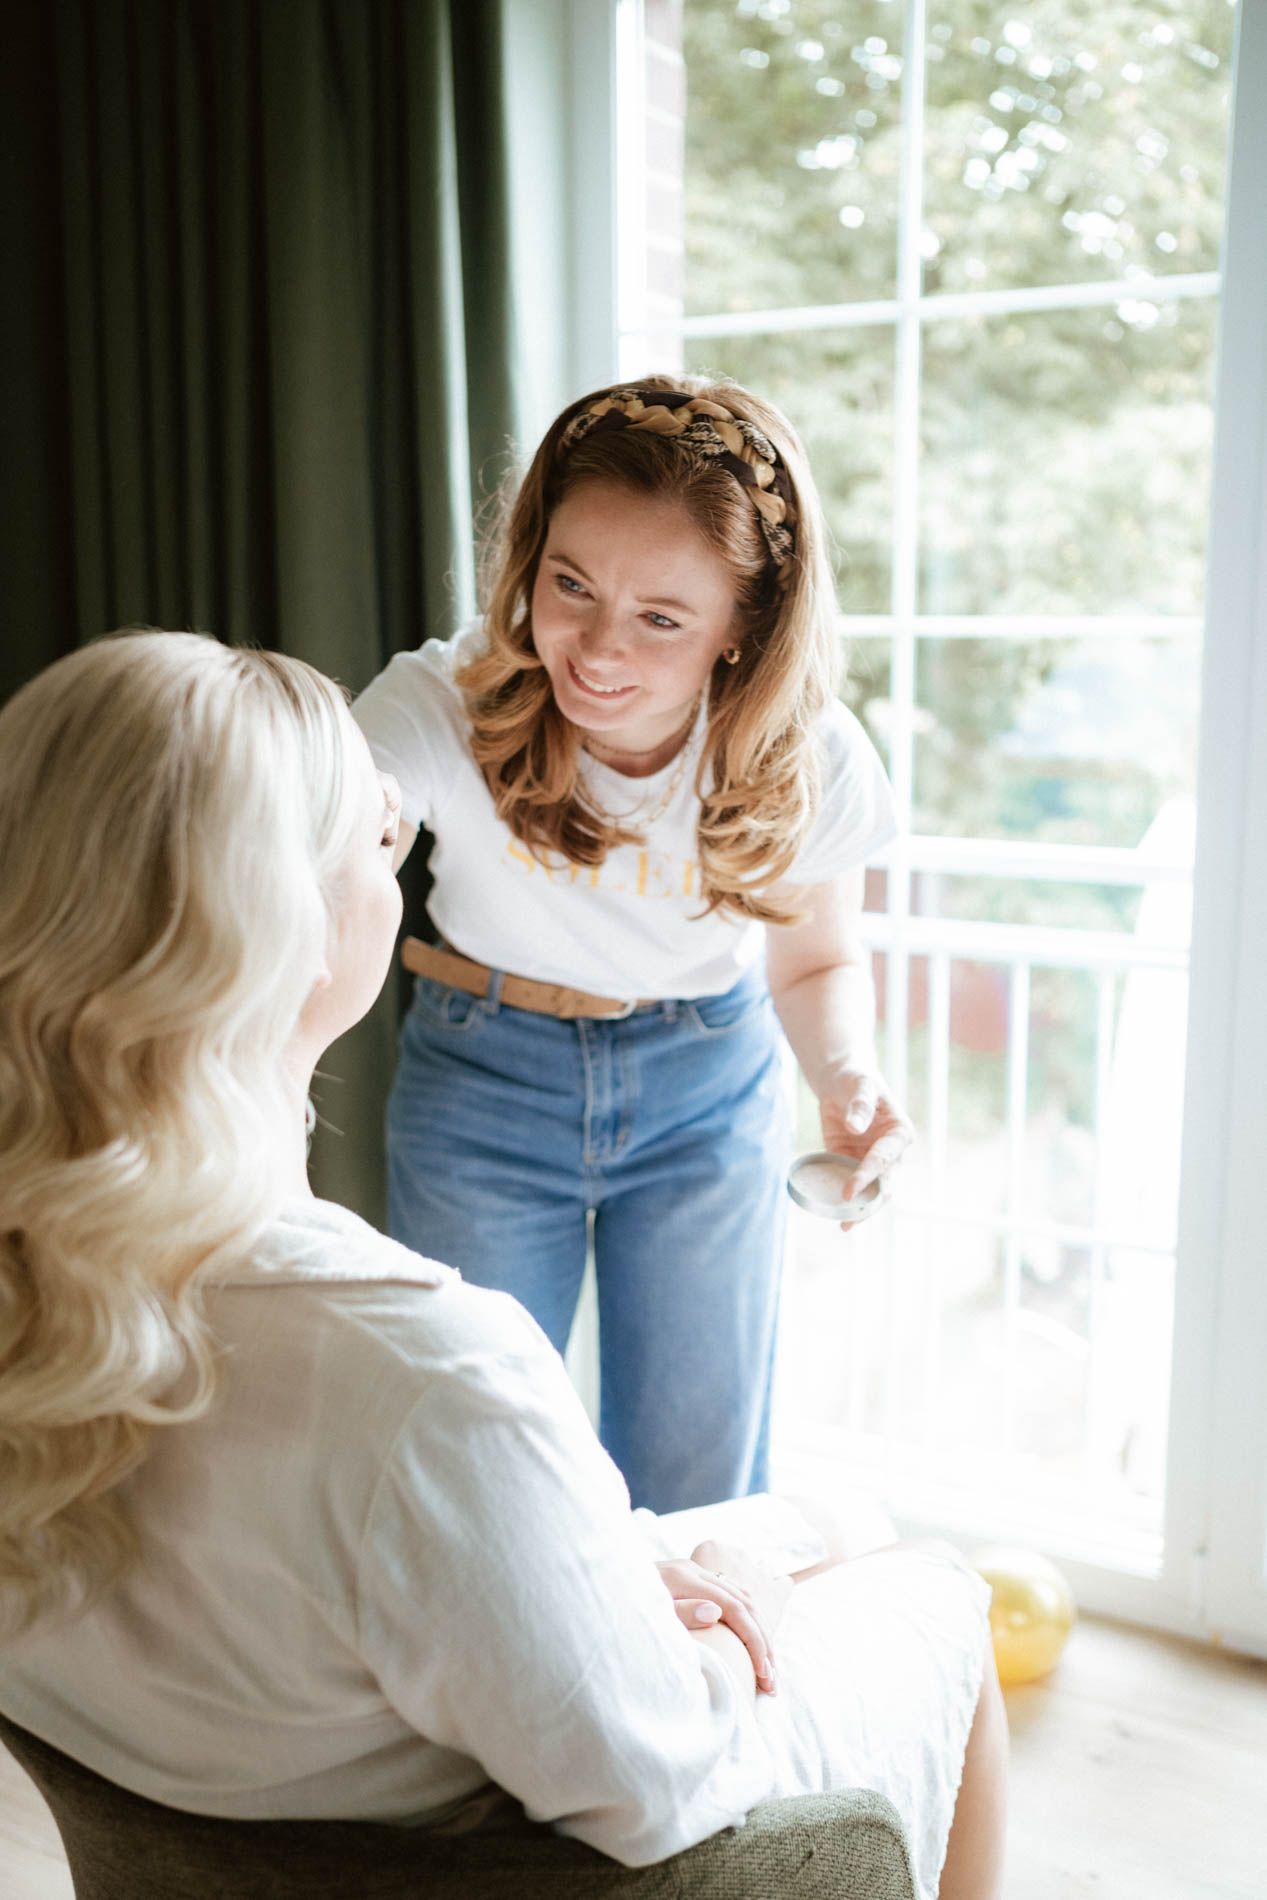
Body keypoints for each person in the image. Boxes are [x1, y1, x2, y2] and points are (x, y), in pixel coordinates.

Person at [0, 631, 1005, 1899]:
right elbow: (662, 1791)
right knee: (929, 1588)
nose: (401, 863)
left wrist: (617, 1569)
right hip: (514, 1835)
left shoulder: (56, 1296)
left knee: (826, 1522)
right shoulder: (419, 1376)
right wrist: (722, 1593)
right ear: (287, 936)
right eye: (379, 844)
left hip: (254, 1770)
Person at [354, 375, 913, 1515]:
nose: (596, 650)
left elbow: (812, 961)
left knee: (696, 1475)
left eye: (661, 617)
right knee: (476, 1467)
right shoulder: (446, 700)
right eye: (570, 584)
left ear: (742, 627)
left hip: (706, 1086)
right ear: (531, 561)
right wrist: (338, 815)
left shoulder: (805, 757)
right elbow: (334, 806)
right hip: (482, 1084)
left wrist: (846, 1075)